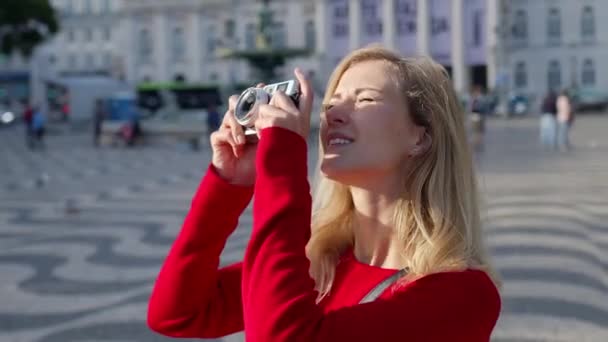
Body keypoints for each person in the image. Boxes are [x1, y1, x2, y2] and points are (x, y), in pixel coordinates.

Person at [147, 46, 501, 341]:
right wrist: (228, 184)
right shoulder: (322, 265)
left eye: (364, 99)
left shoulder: (463, 295)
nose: (333, 113)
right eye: (332, 102)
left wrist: (282, 163)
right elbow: (177, 312)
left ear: (420, 137)